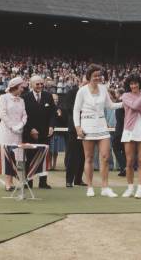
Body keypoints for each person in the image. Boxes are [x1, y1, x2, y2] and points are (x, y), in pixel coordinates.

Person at [73, 64, 123, 197]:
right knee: (89, 158)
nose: (98, 78)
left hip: (101, 126)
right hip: (87, 126)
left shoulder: (103, 88)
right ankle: (89, 187)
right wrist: (78, 127)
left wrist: (125, 103)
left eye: (99, 75)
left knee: (106, 157)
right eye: (95, 75)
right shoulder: (82, 91)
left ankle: (105, 187)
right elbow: (76, 110)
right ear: (89, 76)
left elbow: (110, 105)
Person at [0, 77, 28, 191]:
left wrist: (20, 125)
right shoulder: (3, 97)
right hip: (7, 131)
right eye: (21, 87)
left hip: (18, 131)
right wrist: (13, 126)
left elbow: (25, 115)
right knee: (7, 156)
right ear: (15, 87)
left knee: (16, 156)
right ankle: (7, 183)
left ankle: (12, 181)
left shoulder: (21, 100)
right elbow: (2, 114)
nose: (23, 89)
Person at [23, 75, 56, 189]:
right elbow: (23, 116)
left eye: (41, 84)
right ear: (31, 84)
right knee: (29, 158)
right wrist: (31, 129)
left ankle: (43, 182)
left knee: (43, 158)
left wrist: (51, 126)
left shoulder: (48, 96)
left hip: (45, 133)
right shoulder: (25, 97)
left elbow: (52, 113)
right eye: (37, 84)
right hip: (29, 133)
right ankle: (28, 181)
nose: (40, 86)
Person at [64, 77, 87, 187]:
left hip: (87, 128)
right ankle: (69, 180)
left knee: (83, 155)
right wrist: (82, 110)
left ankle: (78, 179)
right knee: (72, 155)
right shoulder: (72, 92)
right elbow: (68, 108)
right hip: (74, 129)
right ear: (81, 82)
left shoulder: (90, 94)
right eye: (86, 82)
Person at [50, 93, 66, 171]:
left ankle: (54, 165)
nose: (55, 101)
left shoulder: (60, 109)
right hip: (50, 132)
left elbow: (63, 121)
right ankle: (49, 165)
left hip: (58, 133)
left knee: (55, 151)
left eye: (56, 99)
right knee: (50, 151)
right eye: (54, 99)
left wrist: (60, 115)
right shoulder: (48, 108)